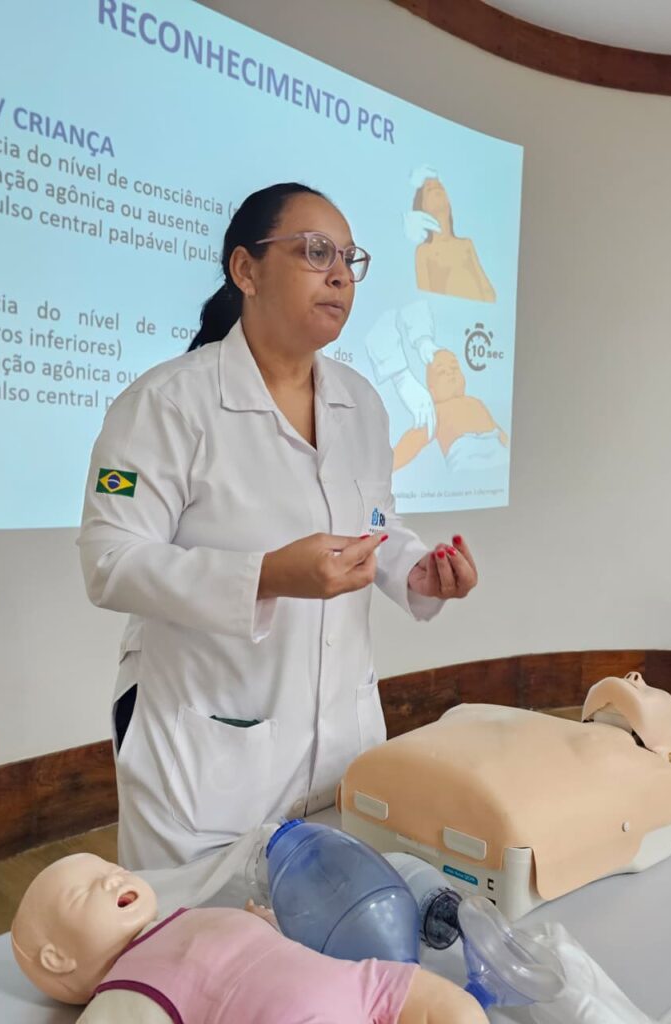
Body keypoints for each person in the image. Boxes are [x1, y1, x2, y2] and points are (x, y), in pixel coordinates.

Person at [78, 182, 479, 870]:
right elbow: (109, 560)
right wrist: (263, 577)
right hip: (207, 754)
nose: (339, 275)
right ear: (246, 269)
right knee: (203, 930)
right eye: (316, 252)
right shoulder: (166, 403)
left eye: (349, 258)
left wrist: (413, 568)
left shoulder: (362, 403)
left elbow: (374, 521)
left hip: (342, 745)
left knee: (333, 923)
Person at [10, 851, 488, 1023]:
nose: (112, 878)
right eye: (83, 892)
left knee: (455, 1009)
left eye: (110, 867)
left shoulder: (184, 917)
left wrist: (261, 924)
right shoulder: (127, 987)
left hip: (356, 981)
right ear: (57, 958)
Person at [412, 176, 495, 303]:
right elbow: (424, 295)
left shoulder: (466, 244)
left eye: (439, 187)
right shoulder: (424, 251)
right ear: (422, 207)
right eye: (429, 189)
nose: (436, 188)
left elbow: (486, 287)